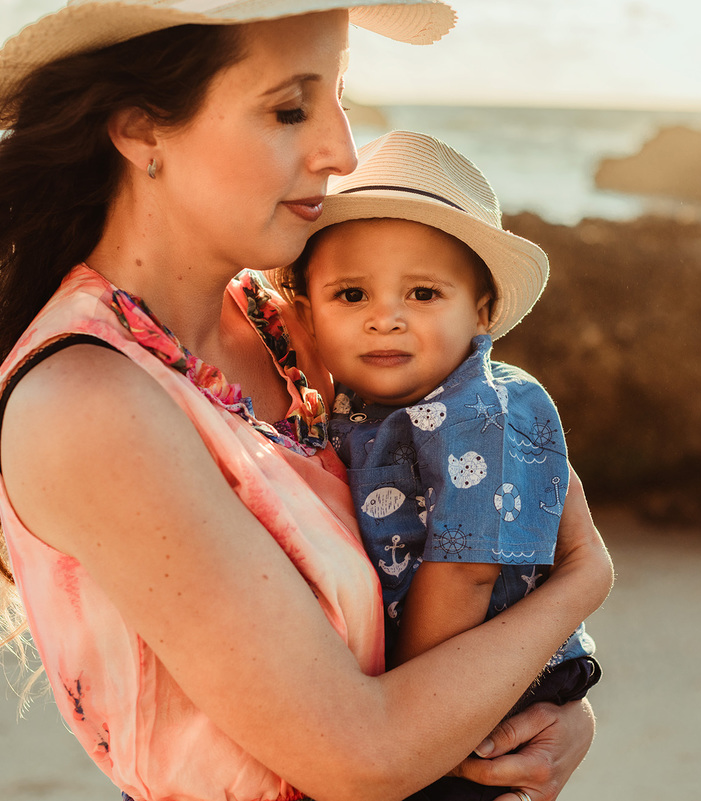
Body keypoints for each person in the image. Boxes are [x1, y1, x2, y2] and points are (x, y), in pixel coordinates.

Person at [0, 3, 612, 801]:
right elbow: (361, 753)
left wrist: (549, 720)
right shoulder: (89, 399)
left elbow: (438, 546)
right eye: (290, 108)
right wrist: (581, 582)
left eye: (340, 99)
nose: (340, 151)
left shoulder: (289, 326)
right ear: (141, 129)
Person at [280, 130, 600, 801]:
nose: (386, 318)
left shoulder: (480, 410)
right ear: (305, 314)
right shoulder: (359, 405)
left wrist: (409, 701)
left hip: (471, 687)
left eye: (423, 294)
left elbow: (467, 567)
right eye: (351, 295)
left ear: (480, 312)